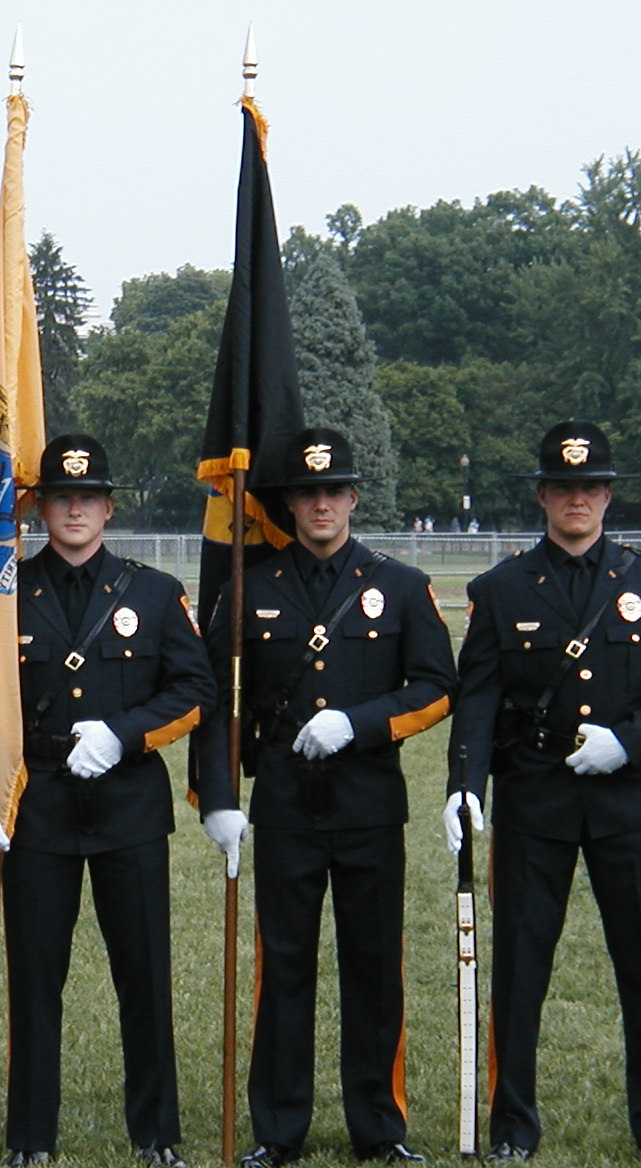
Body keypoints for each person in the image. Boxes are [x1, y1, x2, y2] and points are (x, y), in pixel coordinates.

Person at [444, 420, 641, 1166]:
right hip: (535, 800)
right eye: (564, 487)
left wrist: (630, 741)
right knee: (520, 970)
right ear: (542, 495)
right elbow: (478, 700)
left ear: (607, 495)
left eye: (591, 486)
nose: (578, 499)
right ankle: (512, 1130)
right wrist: (465, 787)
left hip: (629, 803)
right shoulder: (497, 590)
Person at [0, 434, 217, 1168]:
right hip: (35, 810)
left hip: (127, 807)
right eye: (61, 498)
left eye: (88, 498)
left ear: (107, 508)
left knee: (145, 977)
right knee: (35, 982)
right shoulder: (5, 597)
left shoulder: (154, 592)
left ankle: (157, 1133)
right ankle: (31, 1137)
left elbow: (195, 690)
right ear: (40, 509)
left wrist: (128, 735)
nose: (75, 509)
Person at [209, 428, 456, 1167]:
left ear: (353, 497)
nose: (321, 504)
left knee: (374, 965)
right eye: (307, 493)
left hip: (369, 806)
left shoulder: (401, 585)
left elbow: (437, 687)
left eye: (333, 491)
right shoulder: (250, 587)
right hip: (284, 803)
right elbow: (216, 696)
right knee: (282, 964)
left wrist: (361, 722)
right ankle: (278, 1128)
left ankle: (379, 1126)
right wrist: (219, 795)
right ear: (289, 502)